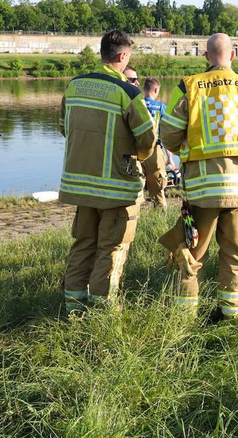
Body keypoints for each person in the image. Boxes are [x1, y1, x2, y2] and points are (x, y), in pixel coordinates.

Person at [159, 33, 238, 321]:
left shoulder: (188, 87)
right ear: (234, 56)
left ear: (206, 57)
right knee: (237, 251)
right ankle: (231, 314)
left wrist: (187, 148)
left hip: (205, 189)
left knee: (193, 252)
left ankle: (184, 315)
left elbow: (168, 134)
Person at [59, 30, 157, 312]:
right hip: (115, 187)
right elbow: (147, 139)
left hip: (79, 186)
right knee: (110, 249)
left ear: (102, 52)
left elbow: (64, 128)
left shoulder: (74, 85)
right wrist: (135, 156)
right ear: (123, 56)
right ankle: (102, 311)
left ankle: (73, 308)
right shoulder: (127, 92)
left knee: (82, 244)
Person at [140, 77, 173, 207]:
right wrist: (170, 157)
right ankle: (160, 213)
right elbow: (166, 134)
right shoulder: (161, 107)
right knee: (158, 186)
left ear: (144, 89)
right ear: (156, 89)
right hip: (155, 150)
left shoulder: (137, 105)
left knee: (138, 185)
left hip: (137, 150)